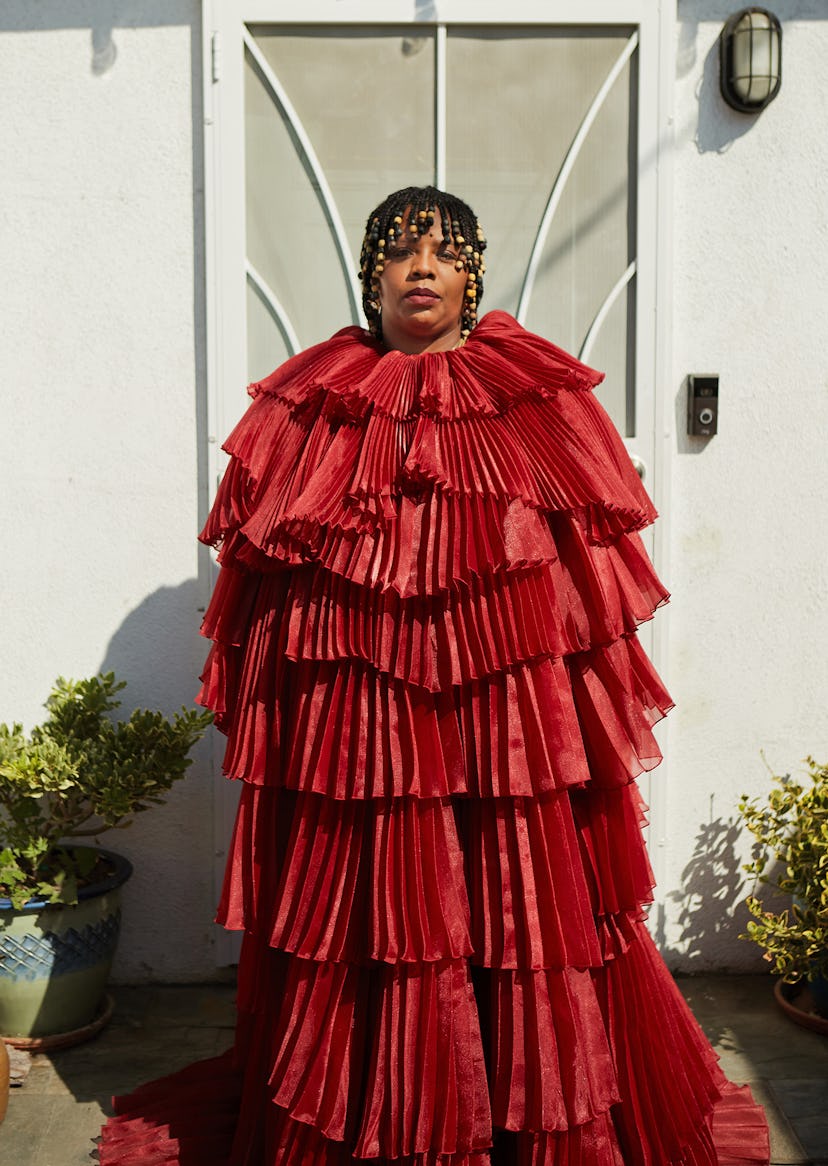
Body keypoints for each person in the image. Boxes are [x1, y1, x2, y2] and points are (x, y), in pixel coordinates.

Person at [101, 187, 770, 1165]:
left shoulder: (529, 396)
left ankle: (521, 1111)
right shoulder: (313, 402)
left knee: (516, 910)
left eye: (444, 252)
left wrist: (564, 724)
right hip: (364, 725)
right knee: (376, 914)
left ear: (472, 277)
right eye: (401, 252)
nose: (422, 267)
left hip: (501, 724)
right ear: (371, 278)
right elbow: (270, 582)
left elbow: (578, 583)